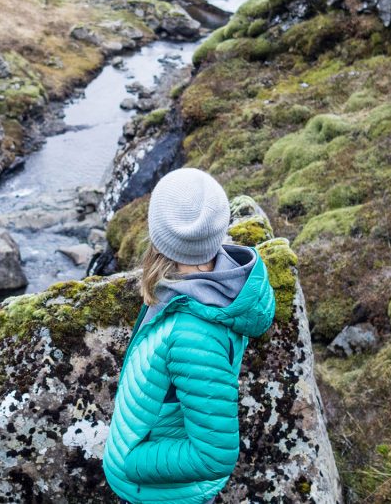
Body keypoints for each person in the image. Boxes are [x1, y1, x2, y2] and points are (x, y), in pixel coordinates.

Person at [102, 168, 276, 504]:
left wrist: (130, 462)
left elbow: (214, 456)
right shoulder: (208, 286)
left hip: (161, 494)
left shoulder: (192, 333)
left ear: (160, 236)